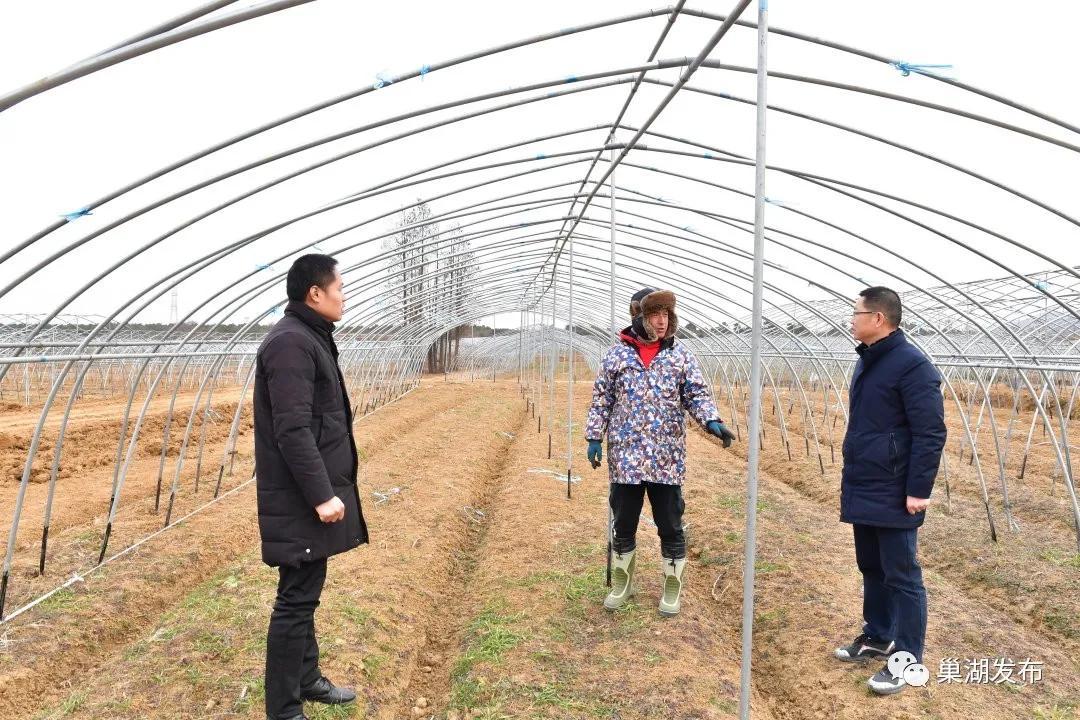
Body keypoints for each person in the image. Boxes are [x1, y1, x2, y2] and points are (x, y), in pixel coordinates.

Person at [254, 254, 368, 720]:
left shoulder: (307, 337)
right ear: (315, 293)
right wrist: (323, 495)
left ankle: (307, 679)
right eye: (339, 286)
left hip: (304, 493)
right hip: (300, 496)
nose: (345, 295)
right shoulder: (291, 344)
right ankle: (284, 709)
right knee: (295, 599)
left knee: (305, 587)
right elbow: (294, 430)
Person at [585, 287, 736, 617]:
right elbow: (602, 399)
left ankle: (672, 587)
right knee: (624, 521)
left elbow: (695, 394)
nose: (662, 321)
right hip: (625, 456)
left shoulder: (680, 356)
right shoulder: (617, 356)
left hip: (666, 456)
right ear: (640, 318)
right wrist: (594, 437)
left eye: (666, 315)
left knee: (670, 521)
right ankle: (623, 584)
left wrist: (711, 420)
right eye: (655, 315)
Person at [832, 286, 946, 695]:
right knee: (871, 566)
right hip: (865, 482)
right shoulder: (870, 361)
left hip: (896, 488)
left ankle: (908, 660)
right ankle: (878, 634)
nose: (851, 319)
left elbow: (930, 432)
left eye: (856, 312)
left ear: (878, 318)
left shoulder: (912, 365)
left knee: (903, 574)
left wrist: (918, 489)